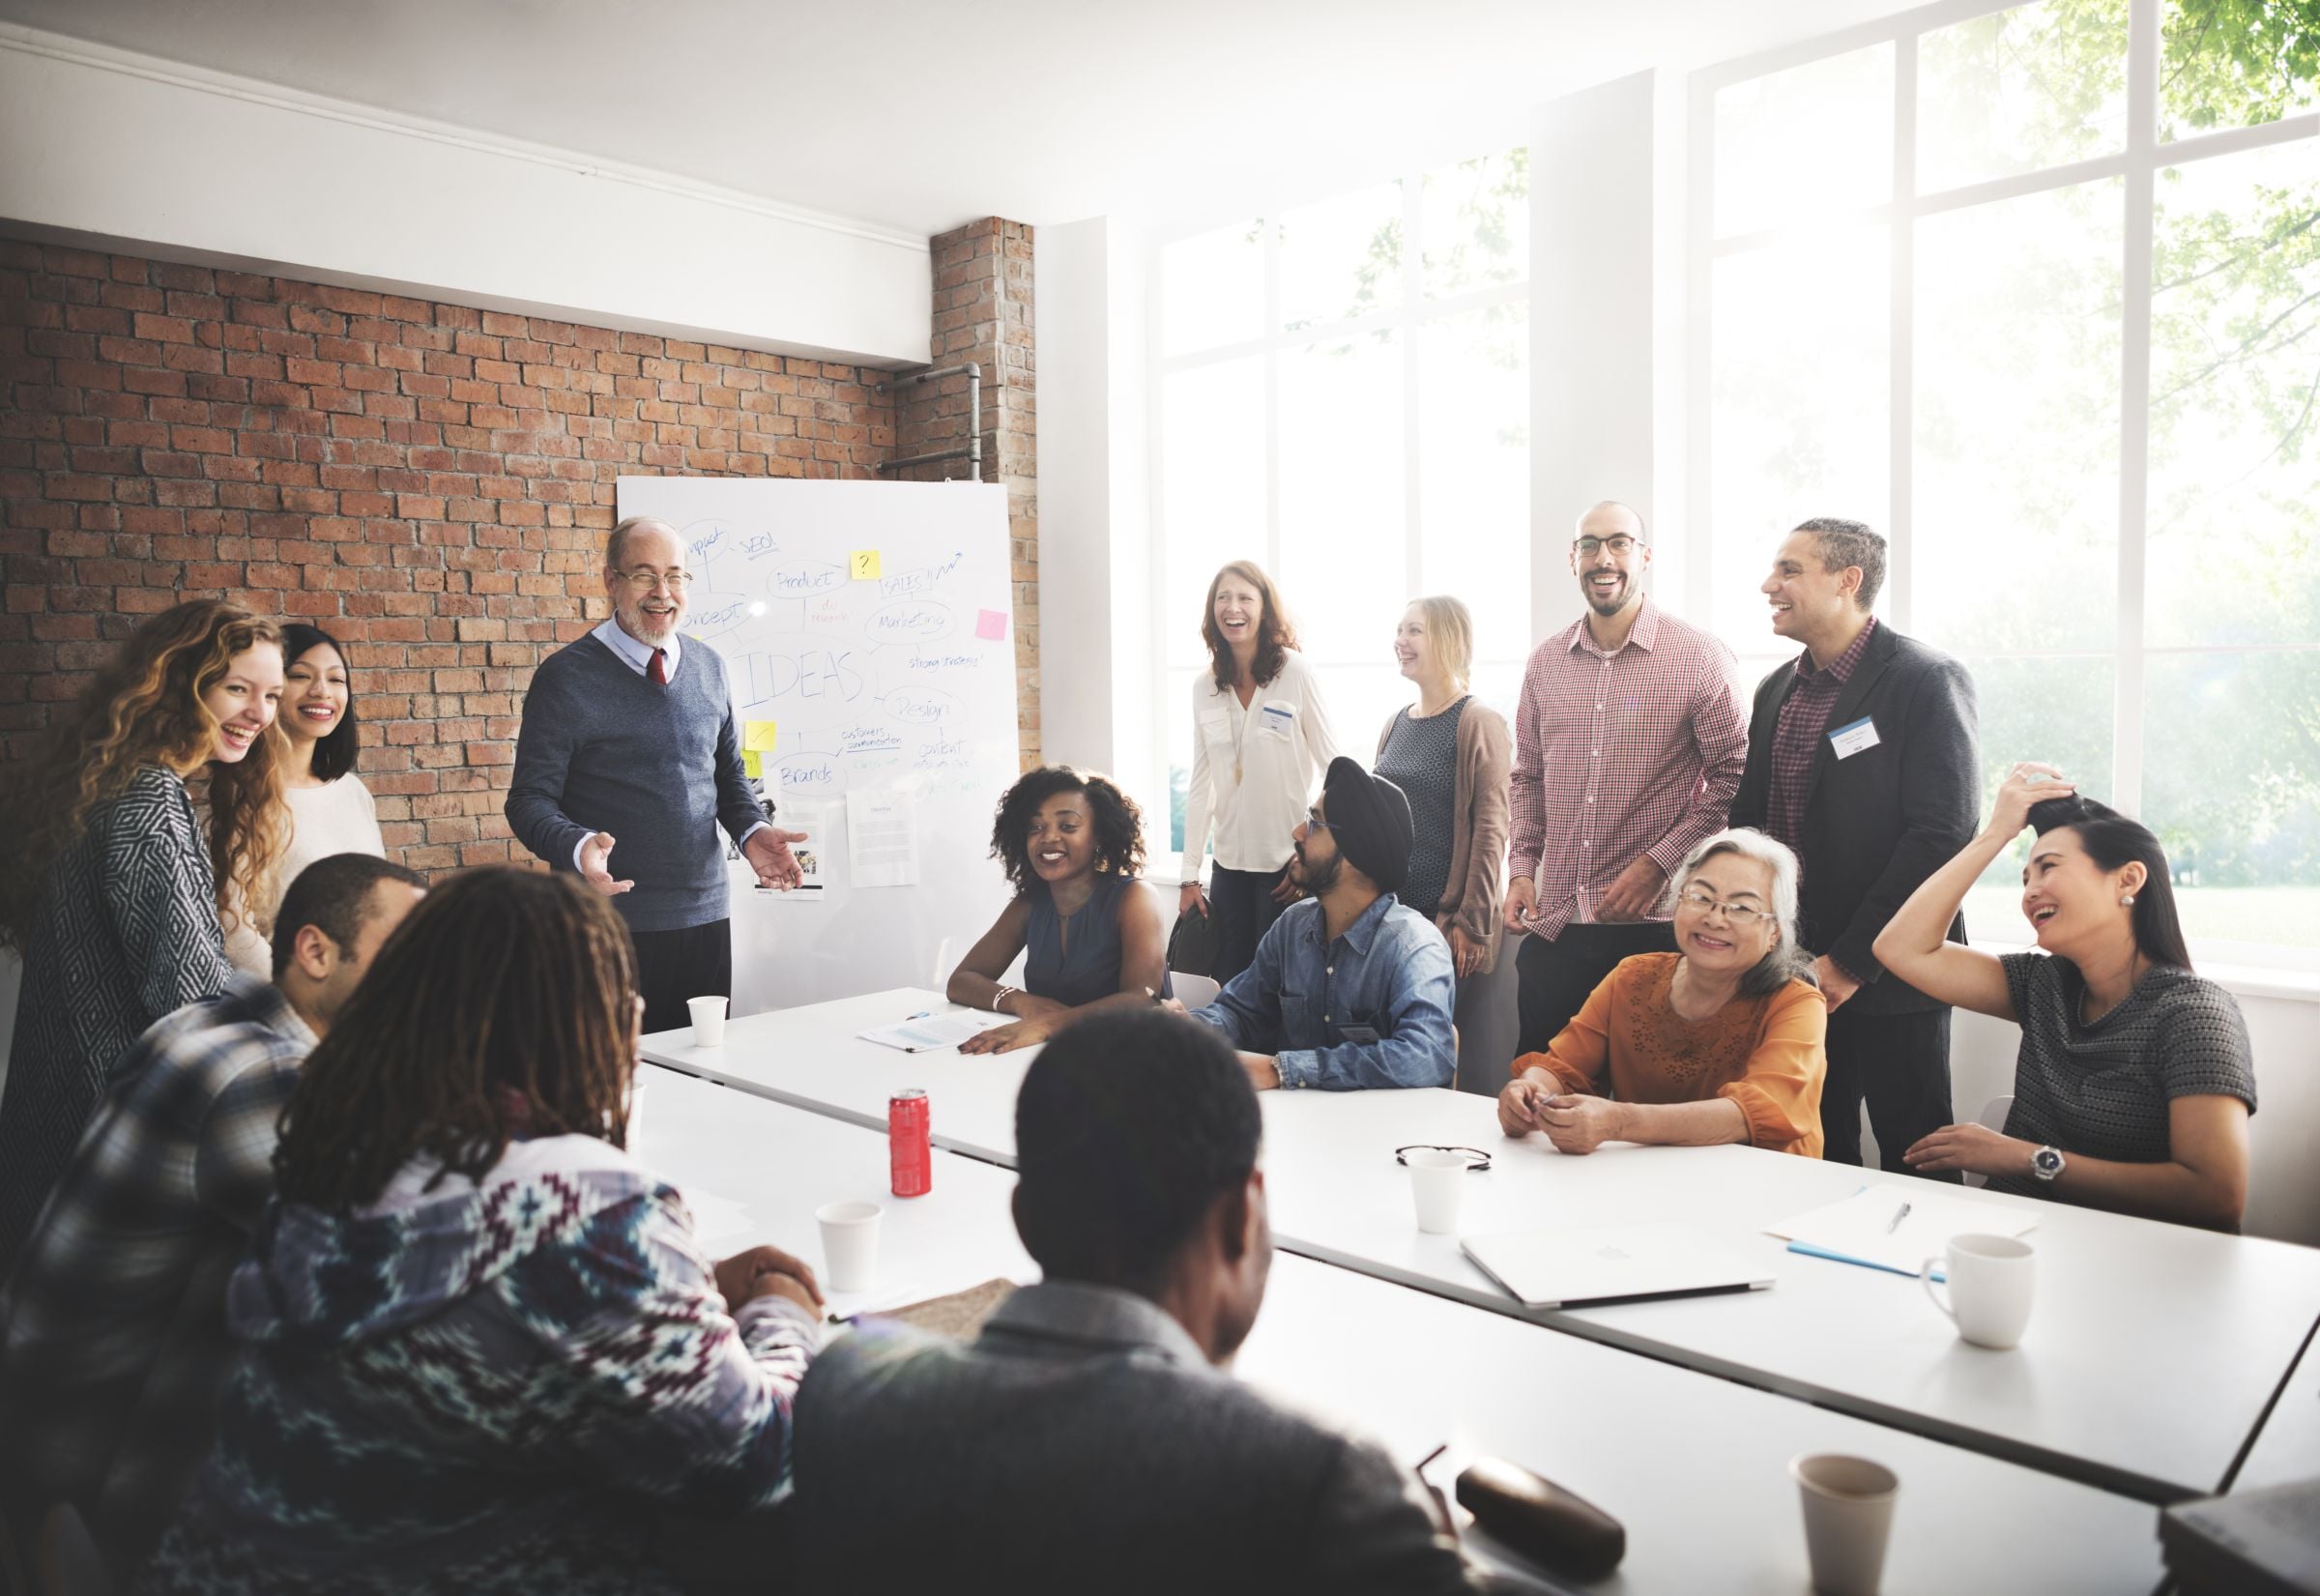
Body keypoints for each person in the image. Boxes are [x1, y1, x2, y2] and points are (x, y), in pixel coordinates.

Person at [137, 867, 826, 1596]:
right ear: (587, 1022)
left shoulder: (333, 1152)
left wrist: (681, 1290)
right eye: (621, 995)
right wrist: (781, 1312)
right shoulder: (584, 1213)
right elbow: (750, 1462)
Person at [789, 1008, 1524, 1595]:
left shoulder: (845, 1390)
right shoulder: (1322, 1489)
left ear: (1024, 1220)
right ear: (1243, 1217)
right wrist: (1426, 1544)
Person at [0, 855, 425, 1579]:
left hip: (39, 1426)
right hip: (89, 1482)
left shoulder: (213, 1018)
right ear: (316, 952)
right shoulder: (267, 1079)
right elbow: (395, 1260)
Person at [0, 600, 287, 1274]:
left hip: (54, 1126)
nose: (259, 713)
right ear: (181, 684)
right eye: (237, 688)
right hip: (111, 1139)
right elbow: (192, 1000)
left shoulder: (104, 782)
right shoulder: (150, 800)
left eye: (272, 694)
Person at [1874, 768, 2256, 1230]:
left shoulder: (2194, 1015)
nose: (2030, 892)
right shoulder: (2043, 984)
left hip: (2126, 1251)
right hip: (2010, 1235)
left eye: (2049, 867)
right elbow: (1900, 948)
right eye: (2024, 878)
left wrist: (2024, 1157)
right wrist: (1995, 834)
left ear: (2128, 880)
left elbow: (2215, 1197)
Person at [1726, 519, 1980, 1176]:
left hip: (1893, 974)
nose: (1768, 585)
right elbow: (1750, 824)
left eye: (1789, 570)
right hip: (1789, 972)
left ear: (1848, 581)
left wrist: (1850, 961)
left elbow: (1943, 835)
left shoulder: (1925, 679)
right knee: (1807, 1152)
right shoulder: (1774, 690)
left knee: (1918, 1159)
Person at [507, 515, 807, 1035]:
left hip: (704, 914)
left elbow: (728, 777)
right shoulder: (565, 677)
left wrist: (752, 831)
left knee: (701, 1062)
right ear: (611, 581)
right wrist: (578, 846)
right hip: (607, 921)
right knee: (614, 1071)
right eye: (644, 575)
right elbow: (529, 800)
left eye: (674, 576)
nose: (662, 593)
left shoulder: (710, 666)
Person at [1503, 502, 1748, 1063]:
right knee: (1540, 1086)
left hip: (1655, 927)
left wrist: (1659, 864)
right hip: (1557, 923)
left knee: (1653, 1097)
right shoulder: (1545, 662)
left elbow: (1733, 777)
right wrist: (1521, 870)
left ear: (1645, 556)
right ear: (1573, 559)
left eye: (1619, 543)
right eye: (1589, 545)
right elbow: (1528, 777)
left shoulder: (1700, 656)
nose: (1603, 558)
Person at [1499, 829, 1827, 1157]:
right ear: (1677, 901)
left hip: (1763, 1180)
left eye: (1742, 907)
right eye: (1700, 897)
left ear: (1775, 931)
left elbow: (1750, 1114)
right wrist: (1529, 1090)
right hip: (1647, 1177)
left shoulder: (1797, 1003)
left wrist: (1618, 1122)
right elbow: (1562, 1066)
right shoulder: (1632, 976)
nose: (1715, 919)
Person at [1187, 758, 1455, 1091]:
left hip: (1381, 1124)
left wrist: (1282, 1070)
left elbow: (1426, 1056)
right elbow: (1240, 1012)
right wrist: (1185, 1031)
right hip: (1298, 1121)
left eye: (1314, 823)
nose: (1297, 832)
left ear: (1357, 855)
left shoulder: (1415, 946)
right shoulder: (1293, 926)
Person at [1178, 561, 1341, 984]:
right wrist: (1189, 876)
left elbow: (1335, 770)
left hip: (1285, 867)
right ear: (1212, 610)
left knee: (1282, 985)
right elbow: (1201, 785)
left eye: (1245, 598)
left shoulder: (1296, 672)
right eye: (1223, 598)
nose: (1233, 608)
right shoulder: (1203, 687)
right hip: (1228, 867)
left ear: (1264, 609)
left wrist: (1310, 855)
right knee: (1228, 983)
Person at [947, 767, 1173, 1054]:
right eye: (1035, 827)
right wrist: (1020, 1001)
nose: (1048, 837)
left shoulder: (1135, 897)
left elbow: (1142, 999)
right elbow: (961, 981)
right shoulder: (1030, 903)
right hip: (1063, 1055)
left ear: (1098, 836)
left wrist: (1048, 1024)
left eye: (1068, 826)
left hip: (1137, 1055)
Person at [223, 623, 389, 976]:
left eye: (336, 679)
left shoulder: (352, 791)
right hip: (295, 996)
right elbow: (233, 930)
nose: (321, 691)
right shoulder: (237, 798)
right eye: (300, 675)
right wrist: (300, 998)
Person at [1373, 596, 1511, 984]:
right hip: (1386, 917)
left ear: (1449, 640)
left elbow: (1491, 831)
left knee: (1428, 1025)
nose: (1400, 640)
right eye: (1399, 630)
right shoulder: (1395, 722)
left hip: (1442, 926)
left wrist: (1472, 923)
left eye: (1414, 631)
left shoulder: (1478, 721)